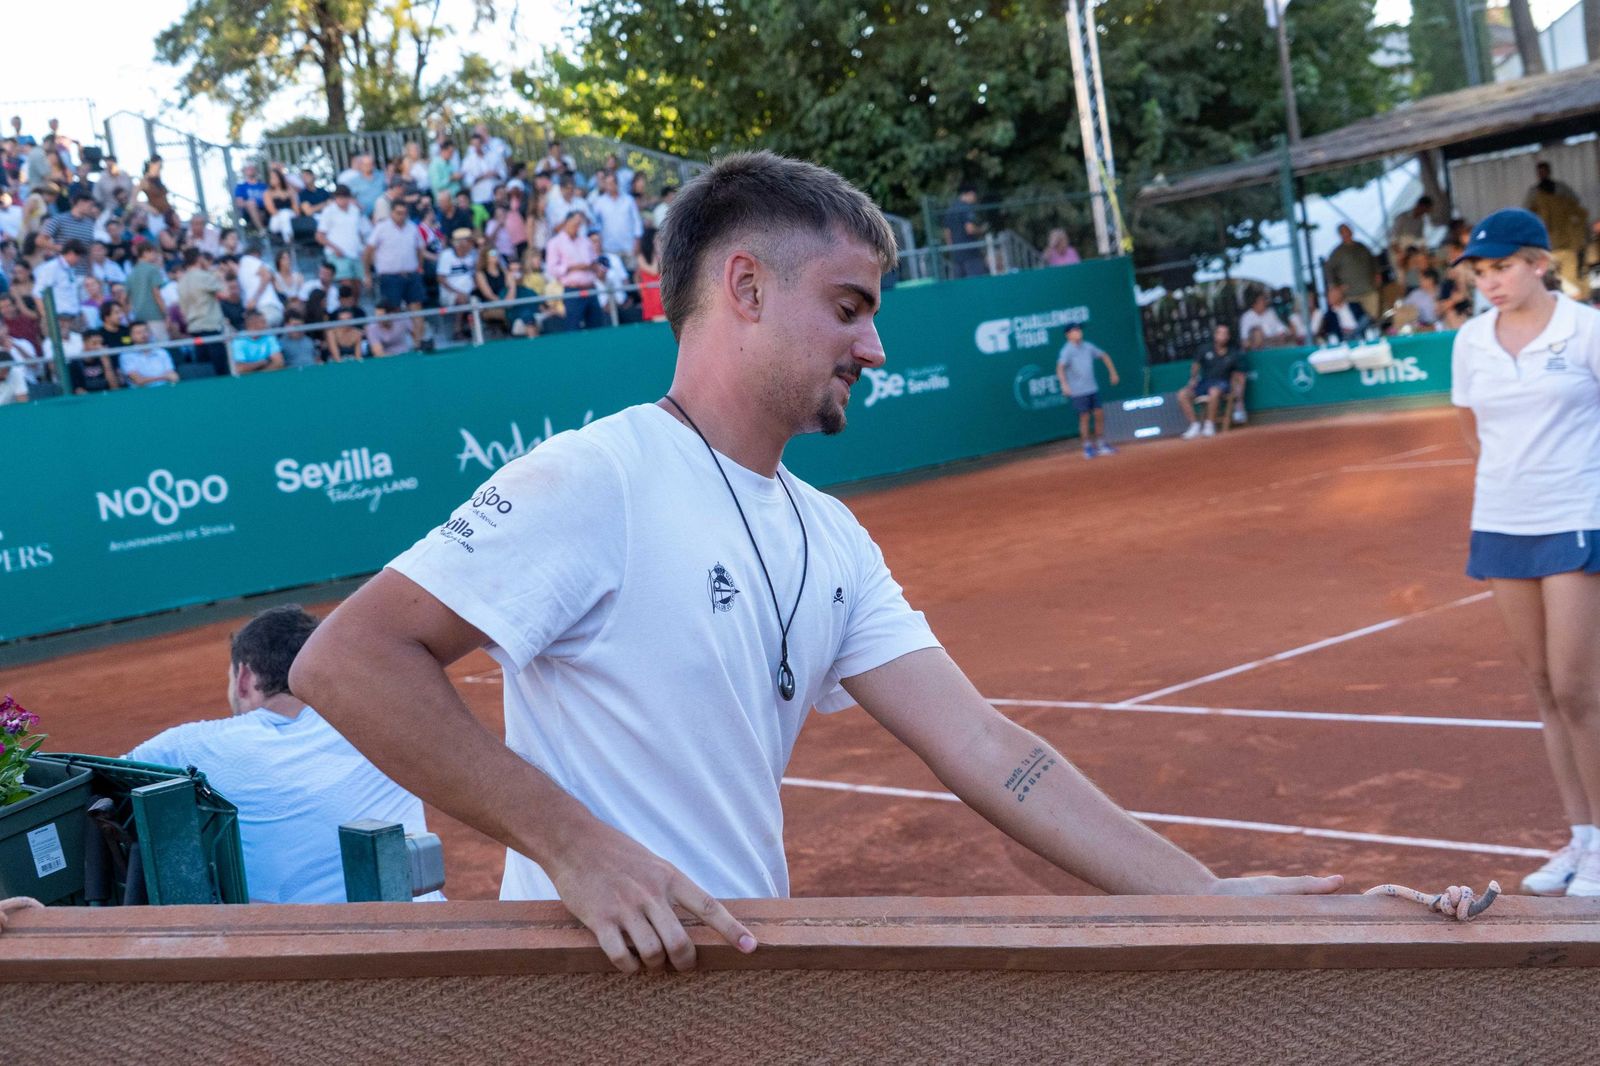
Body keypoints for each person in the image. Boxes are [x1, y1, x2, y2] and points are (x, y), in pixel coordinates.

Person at [289, 151, 1341, 977]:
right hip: (589, 992)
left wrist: (1196, 892)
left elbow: (984, 745)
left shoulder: (830, 533)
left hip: (740, 978)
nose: (874, 347)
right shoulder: (598, 474)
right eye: (848, 306)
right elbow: (347, 659)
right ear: (744, 285)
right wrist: (573, 845)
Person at [1449, 208, 1600, 898]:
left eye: (1503, 266)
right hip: (1502, 523)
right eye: (1480, 271)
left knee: (1578, 689)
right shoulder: (1470, 342)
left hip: (1576, 516)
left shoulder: (1588, 328)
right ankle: (1581, 839)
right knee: (1541, 686)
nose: (1490, 281)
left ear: (1540, 263)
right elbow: (1471, 429)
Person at [125, 606, 439, 904]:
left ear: (245, 678)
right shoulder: (389, 717)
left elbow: (90, 785)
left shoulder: (187, 746)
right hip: (429, 936)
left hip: (304, 950)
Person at [365, 199, 429, 351]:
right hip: (390, 276)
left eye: (404, 213)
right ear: (392, 212)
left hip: (411, 274)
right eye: (398, 213)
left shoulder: (412, 227)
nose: (401, 216)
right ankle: (393, 346)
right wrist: (367, 273)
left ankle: (418, 343)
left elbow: (420, 249)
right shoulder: (381, 228)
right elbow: (368, 251)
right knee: (392, 311)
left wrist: (419, 268)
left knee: (417, 308)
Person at [1054, 323, 1120, 459]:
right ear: (1068, 335)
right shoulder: (1066, 351)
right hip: (1078, 392)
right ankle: (1087, 447)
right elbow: (1060, 368)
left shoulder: (1088, 346)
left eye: (1079, 330)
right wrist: (1064, 385)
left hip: (1092, 388)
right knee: (1084, 418)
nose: (1078, 332)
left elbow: (1104, 356)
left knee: (1099, 414)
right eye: (1075, 330)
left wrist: (1112, 372)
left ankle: (1101, 444)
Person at [1523, 162, 1590, 297]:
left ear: (1548, 171)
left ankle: (1574, 302)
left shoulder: (1562, 189)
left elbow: (1575, 206)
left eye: (1544, 171)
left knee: (1571, 278)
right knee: (1549, 281)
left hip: (1566, 243)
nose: (1542, 174)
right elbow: (1527, 213)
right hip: (1546, 245)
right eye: (1539, 172)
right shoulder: (1534, 193)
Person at [1178, 323, 1245, 438]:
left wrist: (1239, 398)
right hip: (1205, 382)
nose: (1222, 336)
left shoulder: (1233, 354)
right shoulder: (1204, 349)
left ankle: (1209, 425)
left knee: (1213, 391)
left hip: (1223, 384)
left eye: (1225, 334)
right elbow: (1196, 365)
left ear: (1228, 336)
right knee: (1182, 394)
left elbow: (1239, 375)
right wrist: (1193, 379)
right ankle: (1195, 425)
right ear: (1215, 335)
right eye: (1220, 333)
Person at [1324, 224, 1382, 320]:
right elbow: (1329, 269)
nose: (1347, 233)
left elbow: (1373, 261)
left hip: (1369, 289)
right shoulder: (1337, 252)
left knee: (1373, 318)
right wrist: (1334, 286)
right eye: (1344, 231)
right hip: (1351, 294)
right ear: (1340, 234)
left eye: (1348, 230)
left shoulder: (1362, 246)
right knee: (1358, 321)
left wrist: (1377, 274)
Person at [942, 185, 988, 277]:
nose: (975, 200)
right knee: (977, 282)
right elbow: (970, 229)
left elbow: (947, 232)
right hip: (971, 253)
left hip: (957, 255)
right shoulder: (966, 208)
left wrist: (952, 250)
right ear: (970, 194)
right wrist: (981, 230)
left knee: (961, 286)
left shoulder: (950, 209)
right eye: (975, 196)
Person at [117, 320, 178, 387]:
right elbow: (139, 381)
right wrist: (164, 377)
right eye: (138, 333)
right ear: (131, 336)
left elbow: (174, 376)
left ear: (150, 333)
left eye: (145, 331)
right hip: (141, 394)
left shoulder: (161, 352)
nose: (143, 335)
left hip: (166, 389)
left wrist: (169, 377)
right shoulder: (126, 355)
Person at [1238, 287, 1302, 350]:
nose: (1265, 302)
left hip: (1274, 346)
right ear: (1255, 303)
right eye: (1262, 300)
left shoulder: (1270, 313)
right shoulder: (1246, 317)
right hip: (1258, 350)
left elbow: (1281, 328)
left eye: (1264, 300)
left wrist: (1283, 334)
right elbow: (1244, 341)